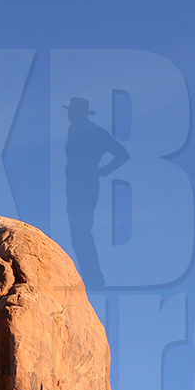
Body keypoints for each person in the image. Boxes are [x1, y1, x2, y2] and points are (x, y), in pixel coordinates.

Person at [64, 97, 130, 289]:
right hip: (74, 185)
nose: (69, 114)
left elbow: (123, 154)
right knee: (78, 232)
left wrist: (101, 171)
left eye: (72, 111)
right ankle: (90, 276)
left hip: (85, 185)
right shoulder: (74, 129)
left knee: (81, 231)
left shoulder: (94, 132)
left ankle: (93, 278)